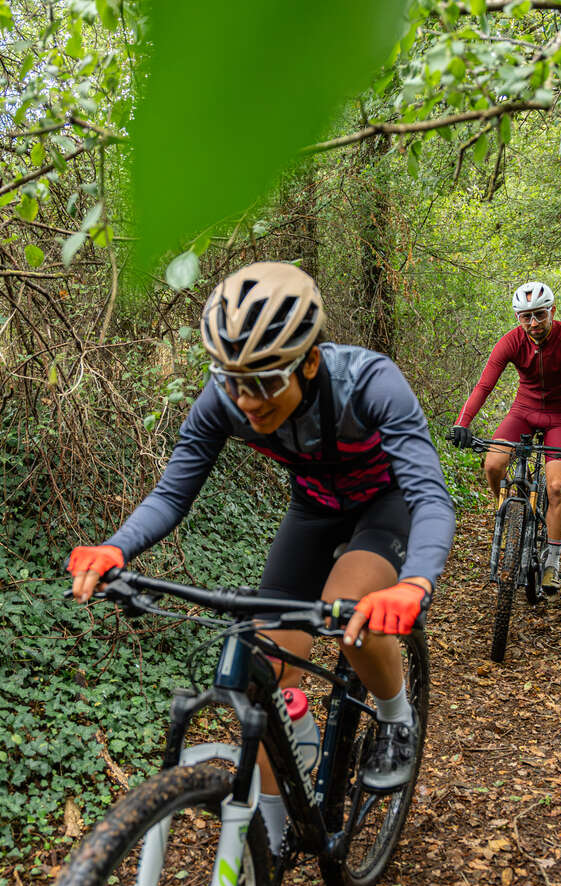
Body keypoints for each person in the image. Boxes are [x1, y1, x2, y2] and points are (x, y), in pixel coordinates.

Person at [67, 261, 455, 853]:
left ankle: (396, 718)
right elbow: (174, 491)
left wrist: (415, 582)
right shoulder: (224, 400)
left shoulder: (371, 383)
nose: (248, 402)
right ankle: (275, 839)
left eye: (266, 382)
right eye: (233, 381)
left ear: (310, 361)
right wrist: (117, 546)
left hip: (386, 507)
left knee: (349, 616)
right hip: (315, 509)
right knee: (265, 676)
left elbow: (429, 494)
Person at [450, 280, 561, 595]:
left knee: (556, 486)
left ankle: (553, 562)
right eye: (525, 316)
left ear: (552, 311)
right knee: (493, 464)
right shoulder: (510, 342)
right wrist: (462, 423)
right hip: (523, 411)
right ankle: (506, 509)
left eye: (539, 315)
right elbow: (483, 386)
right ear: (518, 317)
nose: (533, 323)